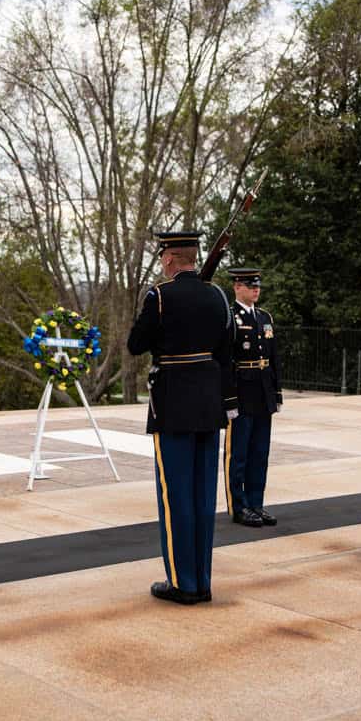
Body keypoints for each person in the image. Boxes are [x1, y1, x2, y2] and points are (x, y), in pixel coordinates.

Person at [128, 231, 237, 605]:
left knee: (176, 497)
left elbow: (135, 345)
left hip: (173, 404)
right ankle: (202, 580)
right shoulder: (218, 296)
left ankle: (181, 582)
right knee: (203, 496)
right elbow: (226, 348)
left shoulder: (160, 296)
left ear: (170, 258)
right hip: (209, 403)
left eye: (162, 257)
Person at [224, 268, 282, 528]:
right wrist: (228, 400)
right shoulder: (229, 317)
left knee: (260, 452)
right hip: (242, 393)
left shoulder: (264, 317)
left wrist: (277, 392)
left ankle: (256, 504)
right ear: (237, 286)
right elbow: (225, 361)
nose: (256, 289)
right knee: (239, 454)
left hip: (263, 392)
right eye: (250, 285)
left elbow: (273, 358)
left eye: (257, 285)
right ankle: (240, 506)